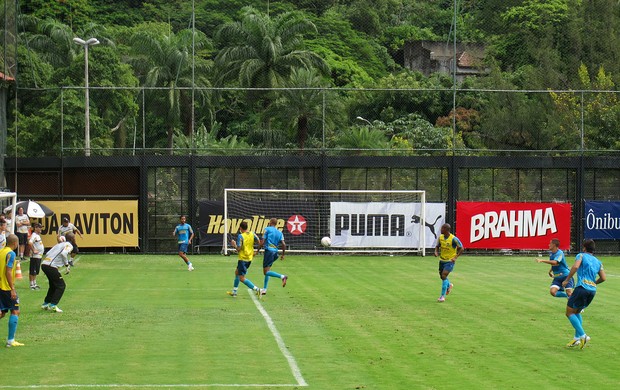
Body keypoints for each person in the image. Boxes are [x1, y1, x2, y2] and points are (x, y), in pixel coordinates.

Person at [562, 239, 606, 349]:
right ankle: (577, 339)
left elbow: (576, 267)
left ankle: (583, 335)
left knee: (569, 312)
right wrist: (593, 283)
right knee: (577, 312)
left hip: (581, 287)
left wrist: (567, 280)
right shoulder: (598, 262)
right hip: (592, 290)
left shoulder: (581, 256)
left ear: (584, 248)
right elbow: (603, 278)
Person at [41, 233, 76, 313]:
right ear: (72, 239)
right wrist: (66, 264)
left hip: (45, 264)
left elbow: (48, 253)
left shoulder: (59, 244)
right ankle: (53, 304)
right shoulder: (69, 245)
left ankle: (46, 303)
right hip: (51, 266)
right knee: (61, 285)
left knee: (53, 285)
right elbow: (64, 253)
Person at [227, 221, 262, 298]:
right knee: (236, 272)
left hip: (243, 259)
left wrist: (234, 245)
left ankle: (258, 289)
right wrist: (256, 251)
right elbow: (259, 242)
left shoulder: (241, 236)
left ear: (240, 228)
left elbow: (238, 249)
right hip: (249, 258)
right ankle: (234, 291)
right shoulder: (252, 234)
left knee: (241, 278)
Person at [0, 234, 24, 347]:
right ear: (15, 243)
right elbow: (8, 271)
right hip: (5, 287)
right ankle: (10, 340)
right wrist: (12, 289)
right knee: (15, 310)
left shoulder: (1, 251)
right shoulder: (11, 254)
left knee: (2, 312)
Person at [434, 223, 464, 302]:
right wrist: (436, 252)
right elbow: (437, 246)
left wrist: (455, 257)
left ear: (446, 230)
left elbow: (461, 248)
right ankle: (449, 285)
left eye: (442, 228)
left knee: (444, 276)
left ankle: (442, 296)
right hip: (442, 260)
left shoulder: (454, 239)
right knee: (442, 277)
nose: (440, 230)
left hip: (450, 261)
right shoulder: (440, 237)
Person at [260, 218, 287, 296]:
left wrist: (257, 251)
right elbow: (284, 244)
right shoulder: (279, 232)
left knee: (266, 272)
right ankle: (264, 289)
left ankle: (282, 276)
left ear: (270, 222)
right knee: (268, 271)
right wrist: (283, 254)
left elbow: (262, 242)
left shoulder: (267, 229)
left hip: (269, 252)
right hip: (275, 253)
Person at [28, 223, 45, 290]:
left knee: (36, 270)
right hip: (35, 256)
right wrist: (33, 250)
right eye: (39, 227)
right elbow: (30, 242)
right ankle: (31, 284)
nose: (41, 229)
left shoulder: (37, 235)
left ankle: (34, 283)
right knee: (33, 270)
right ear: (36, 228)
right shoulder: (34, 235)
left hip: (39, 256)